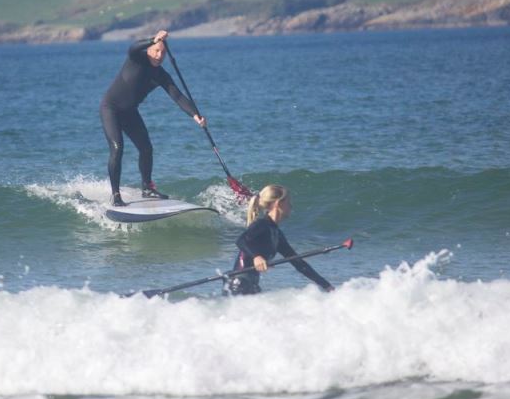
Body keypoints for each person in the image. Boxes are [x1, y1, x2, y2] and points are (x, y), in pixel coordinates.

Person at [100, 30, 206, 207]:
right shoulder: (137, 59)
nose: (159, 55)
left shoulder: (161, 75)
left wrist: (195, 114)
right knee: (117, 149)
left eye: (163, 53)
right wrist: (153, 40)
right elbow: (133, 48)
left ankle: (147, 187)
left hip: (130, 112)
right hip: (110, 109)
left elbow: (178, 97)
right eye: (156, 50)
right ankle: (116, 194)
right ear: (149, 50)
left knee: (146, 148)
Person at [226, 184, 334, 295]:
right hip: (238, 284)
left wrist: (327, 286)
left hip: (250, 285)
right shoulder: (262, 224)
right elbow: (241, 240)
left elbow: (298, 263)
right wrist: (257, 257)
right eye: (288, 202)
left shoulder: (276, 234)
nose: (291, 206)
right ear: (279, 203)